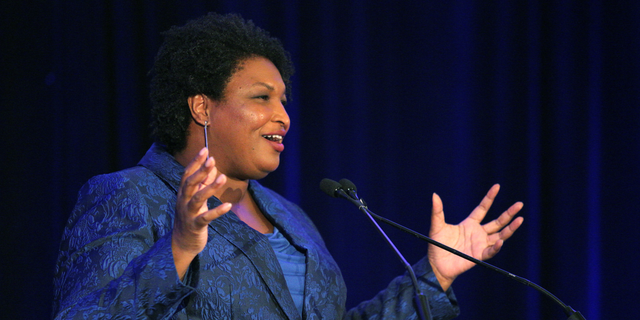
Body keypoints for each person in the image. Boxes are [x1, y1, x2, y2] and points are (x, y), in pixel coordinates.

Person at [52, 12, 524, 319]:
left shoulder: (293, 220)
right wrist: (177, 248)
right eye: (261, 98)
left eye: (283, 100)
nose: (283, 117)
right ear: (202, 107)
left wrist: (434, 274)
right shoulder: (129, 195)